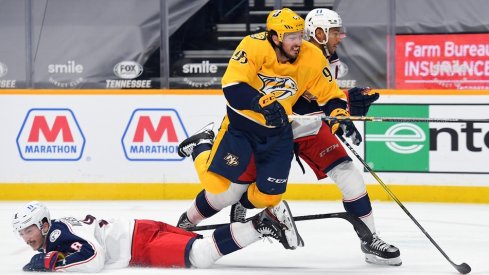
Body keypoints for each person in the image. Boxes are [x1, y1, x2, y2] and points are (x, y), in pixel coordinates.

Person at [178, 8, 401, 266]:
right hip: (263, 127)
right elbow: (287, 101)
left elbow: (325, 96)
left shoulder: (324, 61)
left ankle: (370, 238)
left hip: (302, 131)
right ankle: (195, 214)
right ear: (318, 32)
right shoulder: (260, 49)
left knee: (347, 171)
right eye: (335, 32)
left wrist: (344, 111)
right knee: (226, 192)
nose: (340, 37)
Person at [13, 200, 300, 272]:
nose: (26, 238)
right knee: (201, 245)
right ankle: (260, 225)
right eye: (22, 233)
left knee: (199, 257)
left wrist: (53, 263)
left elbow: (93, 259)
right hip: (141, 227)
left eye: (29, 229)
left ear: (43, 224)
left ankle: (262, 223)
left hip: (140, 243)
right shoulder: (59, 230)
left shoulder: (60, 232)